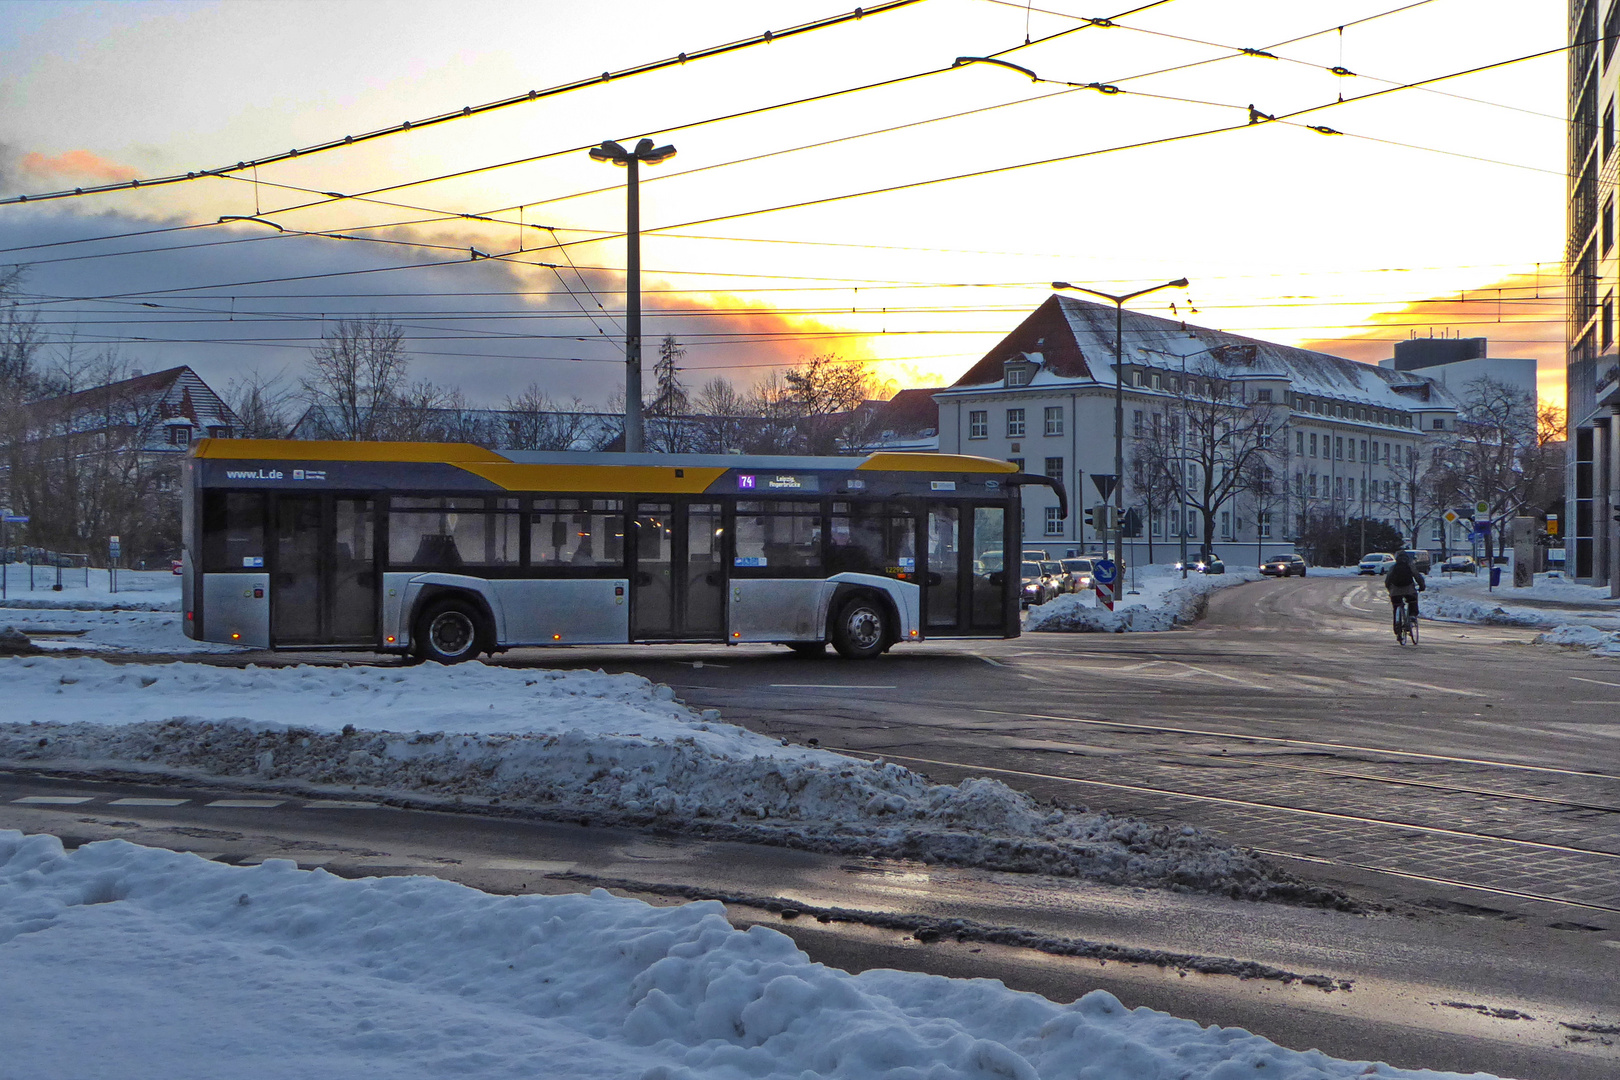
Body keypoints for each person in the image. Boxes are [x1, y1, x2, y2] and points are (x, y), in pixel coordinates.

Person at [1384, 549, 1425, 638]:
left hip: (1395, 591)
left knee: (1396, 607)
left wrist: (1389, 589)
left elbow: (1387, 580)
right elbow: (1417, 576)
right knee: (1412, 599)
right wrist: (1422, 586)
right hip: (1408, 589)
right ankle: (1412, 616)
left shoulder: (1393, 567)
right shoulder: (1410, 566)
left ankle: (1397, 628)